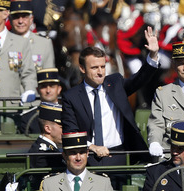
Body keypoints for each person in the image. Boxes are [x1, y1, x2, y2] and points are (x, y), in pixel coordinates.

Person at [60, 26, 161, 168]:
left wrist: (153, 55)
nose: (100, 72)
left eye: (103, 66)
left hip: (120, 155)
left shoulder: (115, 83)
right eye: (94, 68)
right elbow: (70, 131)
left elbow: (139, 79)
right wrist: (93, 147)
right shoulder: (71, 97)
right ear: (82, 69)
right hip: (88, 158)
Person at [37, 131, 114, 191]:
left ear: (87, 154)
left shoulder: (103, 182)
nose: (78, 158)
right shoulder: (49, 184)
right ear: (64, 155)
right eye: (73, 153)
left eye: (82, 153)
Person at [9, 0, 56, 71]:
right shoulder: (3, 42)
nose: (20, 21)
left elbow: (48, 75)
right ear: (10, 19)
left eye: (24, 17)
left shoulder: (44, 43)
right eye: (16, 17)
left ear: (31, 19)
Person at [20, 68, 64, 134]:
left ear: (59, 89)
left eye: (52, 86)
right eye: (44, 87)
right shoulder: (28, 118)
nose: (48, 91)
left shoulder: (69, 113)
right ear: (38, 90)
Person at [28, 102, 65, 172]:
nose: (66, 131)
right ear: (48, 129)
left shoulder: (47, 149)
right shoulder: (45, 155)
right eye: (62, 127)